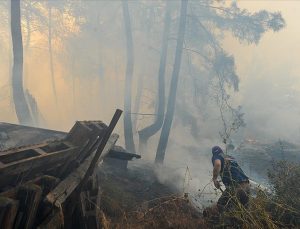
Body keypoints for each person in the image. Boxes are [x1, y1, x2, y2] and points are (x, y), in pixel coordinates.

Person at [211, 146, 250, 212]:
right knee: (244, 211)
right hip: (246, 184)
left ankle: (226, 221)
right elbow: (233, 171)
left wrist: (214, 179)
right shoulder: (229, 157)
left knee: (222, 204)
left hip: (236, 186)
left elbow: (217, 164)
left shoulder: (217, 156)